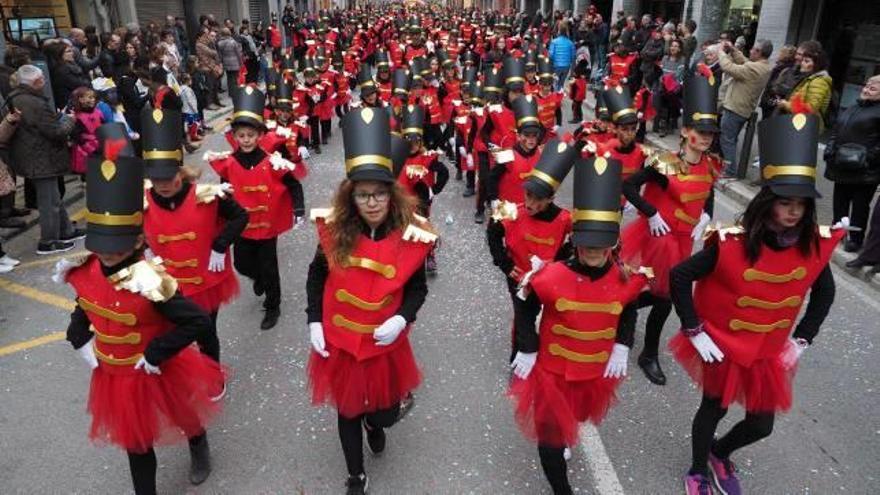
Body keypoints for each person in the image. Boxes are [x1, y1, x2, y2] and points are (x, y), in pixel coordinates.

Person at [669, 112, 842, 495]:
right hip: (723, 345)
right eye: (785, 202)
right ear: (768, 203)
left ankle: (719, 452)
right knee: (713, 409)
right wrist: (694, 329)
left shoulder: (811, 243)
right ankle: (698, 469)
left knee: (762, 424)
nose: (794, 211)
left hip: (767, 349)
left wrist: (802, 340)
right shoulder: (732, 242)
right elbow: (679, 276)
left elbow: (824, 291)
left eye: (800, 203)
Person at [58, 123, 224, 495]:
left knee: (183, 412)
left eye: (117, 249)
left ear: (136, 241)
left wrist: (156, 352)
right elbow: (85, 306)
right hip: (115, 374)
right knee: (135, 440)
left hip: (155, 365)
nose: (108, 257)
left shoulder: (149, 279)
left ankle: (198, 443)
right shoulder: (86, 270)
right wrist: (78, 337)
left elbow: (196, 321)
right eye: (102, 247)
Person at [306, 107, 436, 495]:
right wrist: (314, 320)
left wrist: (402, 318)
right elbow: (316, 276)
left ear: (391, 193)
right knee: (347, 408)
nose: (373, 202)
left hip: (385, 344)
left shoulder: (411, 235)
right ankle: (356, 476)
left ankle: (375, 425)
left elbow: (417, 289)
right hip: (342, 340)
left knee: (383, 415)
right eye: (364, 194)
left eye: (379, 193)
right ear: (353, 197)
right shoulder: (333, 230)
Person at [509, 151, 650, 495]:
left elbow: (630, 305)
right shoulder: (550, 276)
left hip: (592, 372)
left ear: (613, 242)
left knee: (573, 419)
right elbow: (525, 303)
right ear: (575, 240)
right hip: (553, 373)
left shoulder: (623, 277)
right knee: (550, 441)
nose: (593, 250)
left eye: (601, 242)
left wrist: (623, 343)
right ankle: (562, 489)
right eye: (586, 241)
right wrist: (527, 348)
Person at [620, 69, 722, 386]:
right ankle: (648, 353)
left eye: (710, 133)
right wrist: (650, 213)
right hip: (658, 238)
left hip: (684, 241)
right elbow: (629, 188)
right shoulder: (664, 163)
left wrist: (706, 216)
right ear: (685, 131)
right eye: (700, 131)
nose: (705, 137)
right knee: (665, 298)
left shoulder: (710, 164)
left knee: (657, 293)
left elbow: (708, 193)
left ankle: (618, 308)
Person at [142, 107, 247, 364]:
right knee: (167, 332)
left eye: (169, 177)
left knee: (205, 330)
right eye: (156, 180)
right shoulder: (141, 202)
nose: (163, 185)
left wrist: (220, 245)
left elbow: (241, 216)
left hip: (204, 281)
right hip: (166, 282)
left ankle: (212, 372)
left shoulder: (207, 195)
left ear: (181, 172)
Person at [206, 86, 304, 330]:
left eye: (251, 135)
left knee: (270, 269)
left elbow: (293, 184)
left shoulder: (272, 162)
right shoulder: (228, 163)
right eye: (241, 135)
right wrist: (219, 218)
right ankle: (257, 277)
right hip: (241, 227)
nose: (246, 139)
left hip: (267, 227)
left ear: (260, 136)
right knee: (242, 265)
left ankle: (273, 306)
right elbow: (224, 193)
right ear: (235, 138)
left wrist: (298, 209)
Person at [487, 137, 575, 362]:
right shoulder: (512, 212)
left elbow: (575, 242)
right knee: (523, 318)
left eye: (538, 200)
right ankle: (518, 358)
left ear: (551, 199)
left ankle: (543, 358)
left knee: (548, 319)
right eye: (528, 196)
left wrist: (561, 259)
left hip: (549, 279)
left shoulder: (565, 219)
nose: (530, 204)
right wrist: (505, 264)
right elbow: (493, 234)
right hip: (519, 278)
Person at [7, 65, 81, 255]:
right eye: (42, 79)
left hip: (35, 156)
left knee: (54, 198)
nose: (45, 82)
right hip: (40, 157)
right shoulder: (34, 102)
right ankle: (48, 242)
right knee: (49, 202)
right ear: (35, 82)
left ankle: (66, 231)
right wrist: (69, 120)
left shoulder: (18, 97)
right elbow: (55, 132)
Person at [825, 75, 880, 254]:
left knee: (860, 206)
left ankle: (855, 239)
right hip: (842, 164)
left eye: (872, 88)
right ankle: (838, 230)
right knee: (840, 201)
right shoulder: (853, 107)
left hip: (865, 169)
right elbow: (837, 129)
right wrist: (830, 148)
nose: (866, 89)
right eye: (866, 86)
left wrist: (869, 158)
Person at [396, 104, 449, 274]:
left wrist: (434, 189)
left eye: (416, 141)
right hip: (401, 199)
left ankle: (430, 255)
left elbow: (444, 173)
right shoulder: (397, 158)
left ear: (421, 141)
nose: (412, 145)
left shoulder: (427, 158)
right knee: (400, 227)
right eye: (409, 141)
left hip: (421, 201)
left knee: (423, 226)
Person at [717, 39, 773, 176]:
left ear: (759, 52)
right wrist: (733, 50)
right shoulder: (764, 66)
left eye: (753, 49)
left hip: (735, 108)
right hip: (743, 109)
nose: (751, 51)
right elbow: (745, 61)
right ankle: (728, 167)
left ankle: (729, 170)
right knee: (731, 139)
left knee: (727, 139)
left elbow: (728, 67)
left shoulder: (754, 68)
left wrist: (721, 52)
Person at [487, 95, 543, 206]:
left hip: (529, 207)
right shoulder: (506, 155)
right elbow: (492, 177)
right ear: (518, 136)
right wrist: (494, 199)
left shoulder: (540, 153)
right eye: (526, 135)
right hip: (508, 207)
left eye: (534, 135)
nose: (530, 140)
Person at [775, 41, 832, 129]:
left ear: (816, 64)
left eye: (807, 61)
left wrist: (786, 104)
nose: (802, 63)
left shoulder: (819, 82)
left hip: (804, 128)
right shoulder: (811, 78)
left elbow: (810, 110)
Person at [655, 38, 686, 137]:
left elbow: (678, 75)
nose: (673, 48)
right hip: (663, 85)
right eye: (672, 46)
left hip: (674, 87)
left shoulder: (682, 60)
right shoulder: (665, 58)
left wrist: (668, 80)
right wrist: (662, 79)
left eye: (676, 46)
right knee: (662, 103)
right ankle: (663, 126)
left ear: (680, 49)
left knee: (670, 101)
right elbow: (661, 72)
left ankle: (668, 123)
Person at [759, 45, 797, 120]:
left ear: (787, 55)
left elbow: (782, 87)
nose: (779, 54)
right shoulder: (779, 66)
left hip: (773, 102)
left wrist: (774, 88)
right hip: (769, 100)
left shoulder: (787, 69)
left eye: (782, 52)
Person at [549, 24, 575, 92]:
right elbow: (573, 57)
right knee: (561, 84)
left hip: (556, 66)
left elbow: (551, 55)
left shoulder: (554, 42)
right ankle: (559, 95)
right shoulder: (570, 43)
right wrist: (572, 72)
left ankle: (555, 99)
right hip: (566, 66)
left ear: (559, 31)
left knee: (555, 83)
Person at [216, 28, 242, 96]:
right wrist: (240, 62)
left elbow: (220, 55)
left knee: (229, 78)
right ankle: (235, 92)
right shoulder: (233, 42)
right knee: (235, 78)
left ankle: (231, 93)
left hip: (226, 63)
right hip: (234, 62)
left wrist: (221, 63)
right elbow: (238, 53)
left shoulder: (219, 43)